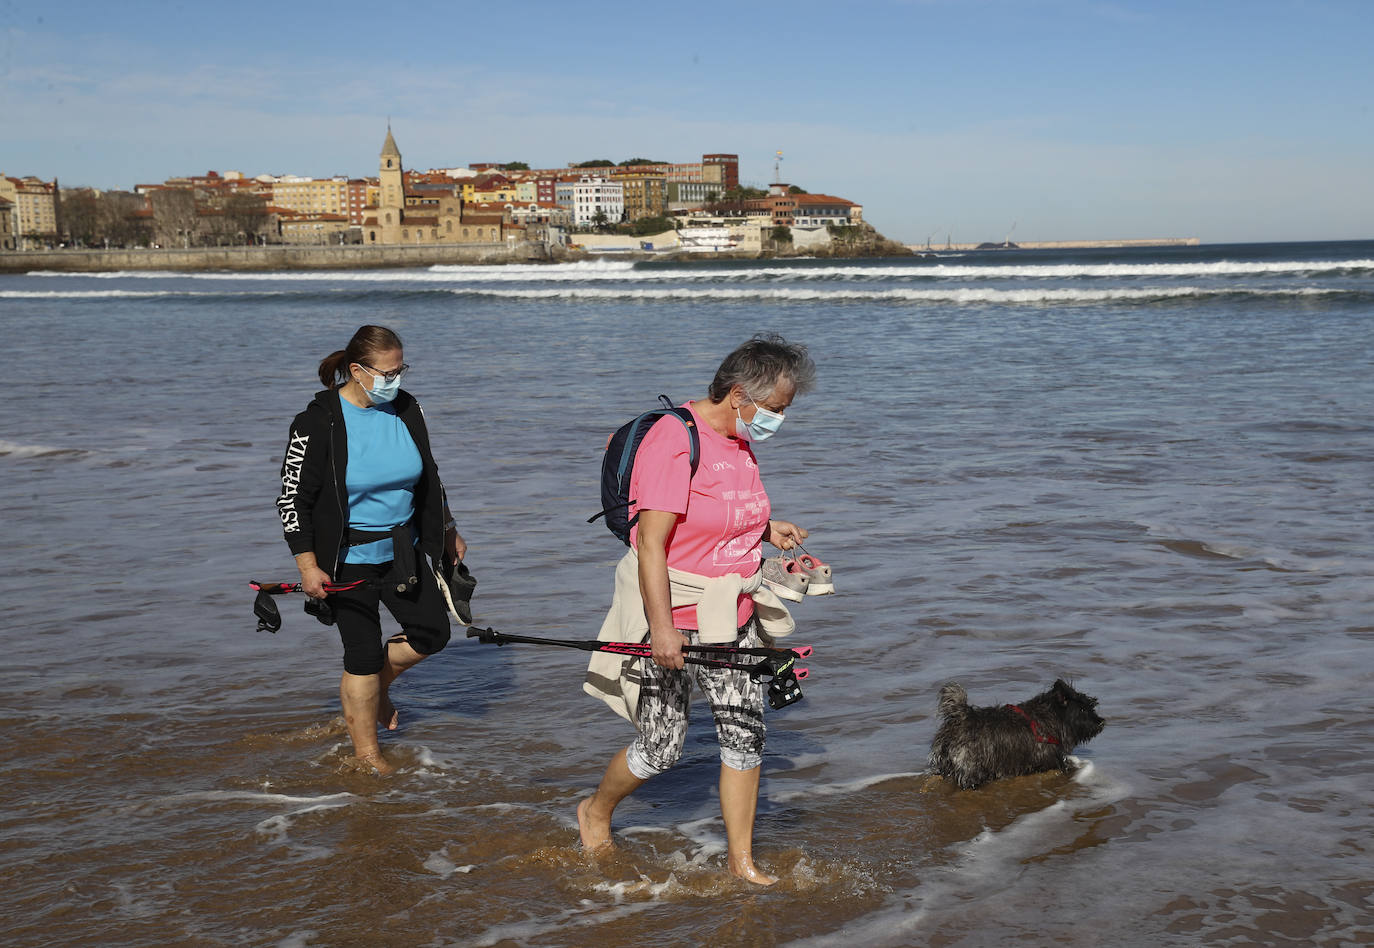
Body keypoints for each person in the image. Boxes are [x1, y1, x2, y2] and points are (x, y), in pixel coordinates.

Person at [578, 332, 816, 885]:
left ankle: (741, 861)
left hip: (732, 617)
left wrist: (763, 529)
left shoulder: (739, 438)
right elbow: (653, 544)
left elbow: (717, 516)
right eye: (776, 409)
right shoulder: (674, 440)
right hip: (674, 620)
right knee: (661, 749)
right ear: (739, 395)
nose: (779, 420)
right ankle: (595, 811)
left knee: (744, 738)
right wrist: (661, 629)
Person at [276, 325, 466, 775]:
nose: (395, 379)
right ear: (357, 370)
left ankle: (376, 691)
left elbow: (430, 475)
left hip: (403, 551)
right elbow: (291, 498)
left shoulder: (407, 407)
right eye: (387, 372)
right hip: (344, 561)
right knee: (360, 655)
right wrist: (306, 563)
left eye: (401, 369)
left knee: (432, 635)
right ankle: (367, 755)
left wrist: (448, 526)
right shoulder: (316, 421)